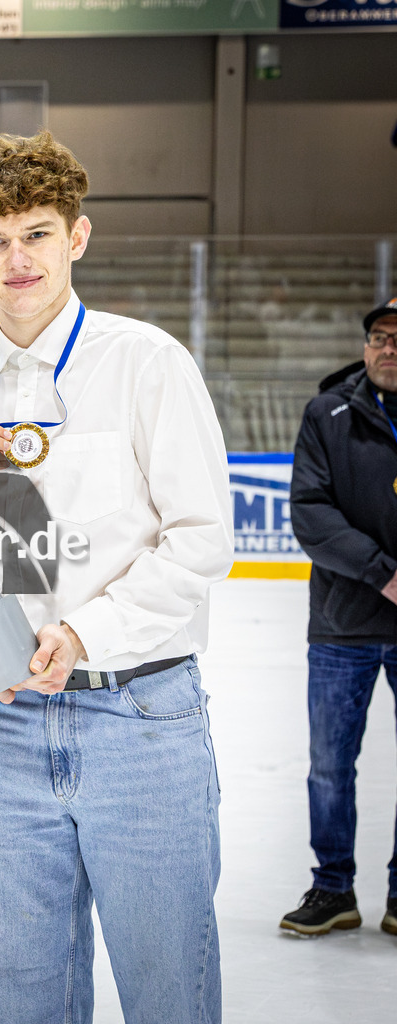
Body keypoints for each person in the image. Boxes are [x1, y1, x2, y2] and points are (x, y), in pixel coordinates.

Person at [0, 132, 234, 1024]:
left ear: (78, 238)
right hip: (3, 732)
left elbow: (202, 538)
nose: (16, 258)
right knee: (22, 996)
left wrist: (86, 631)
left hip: (139, 720)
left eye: (36, 234)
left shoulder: (147, 363)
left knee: (166, 988)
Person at [280, 296, 397, 938]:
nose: (387, 349)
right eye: (379, 337)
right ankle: (334, 889)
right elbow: (311, 514)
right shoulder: (327, 412)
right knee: (330, 765)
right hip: (341, 626)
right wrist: (386, 573)